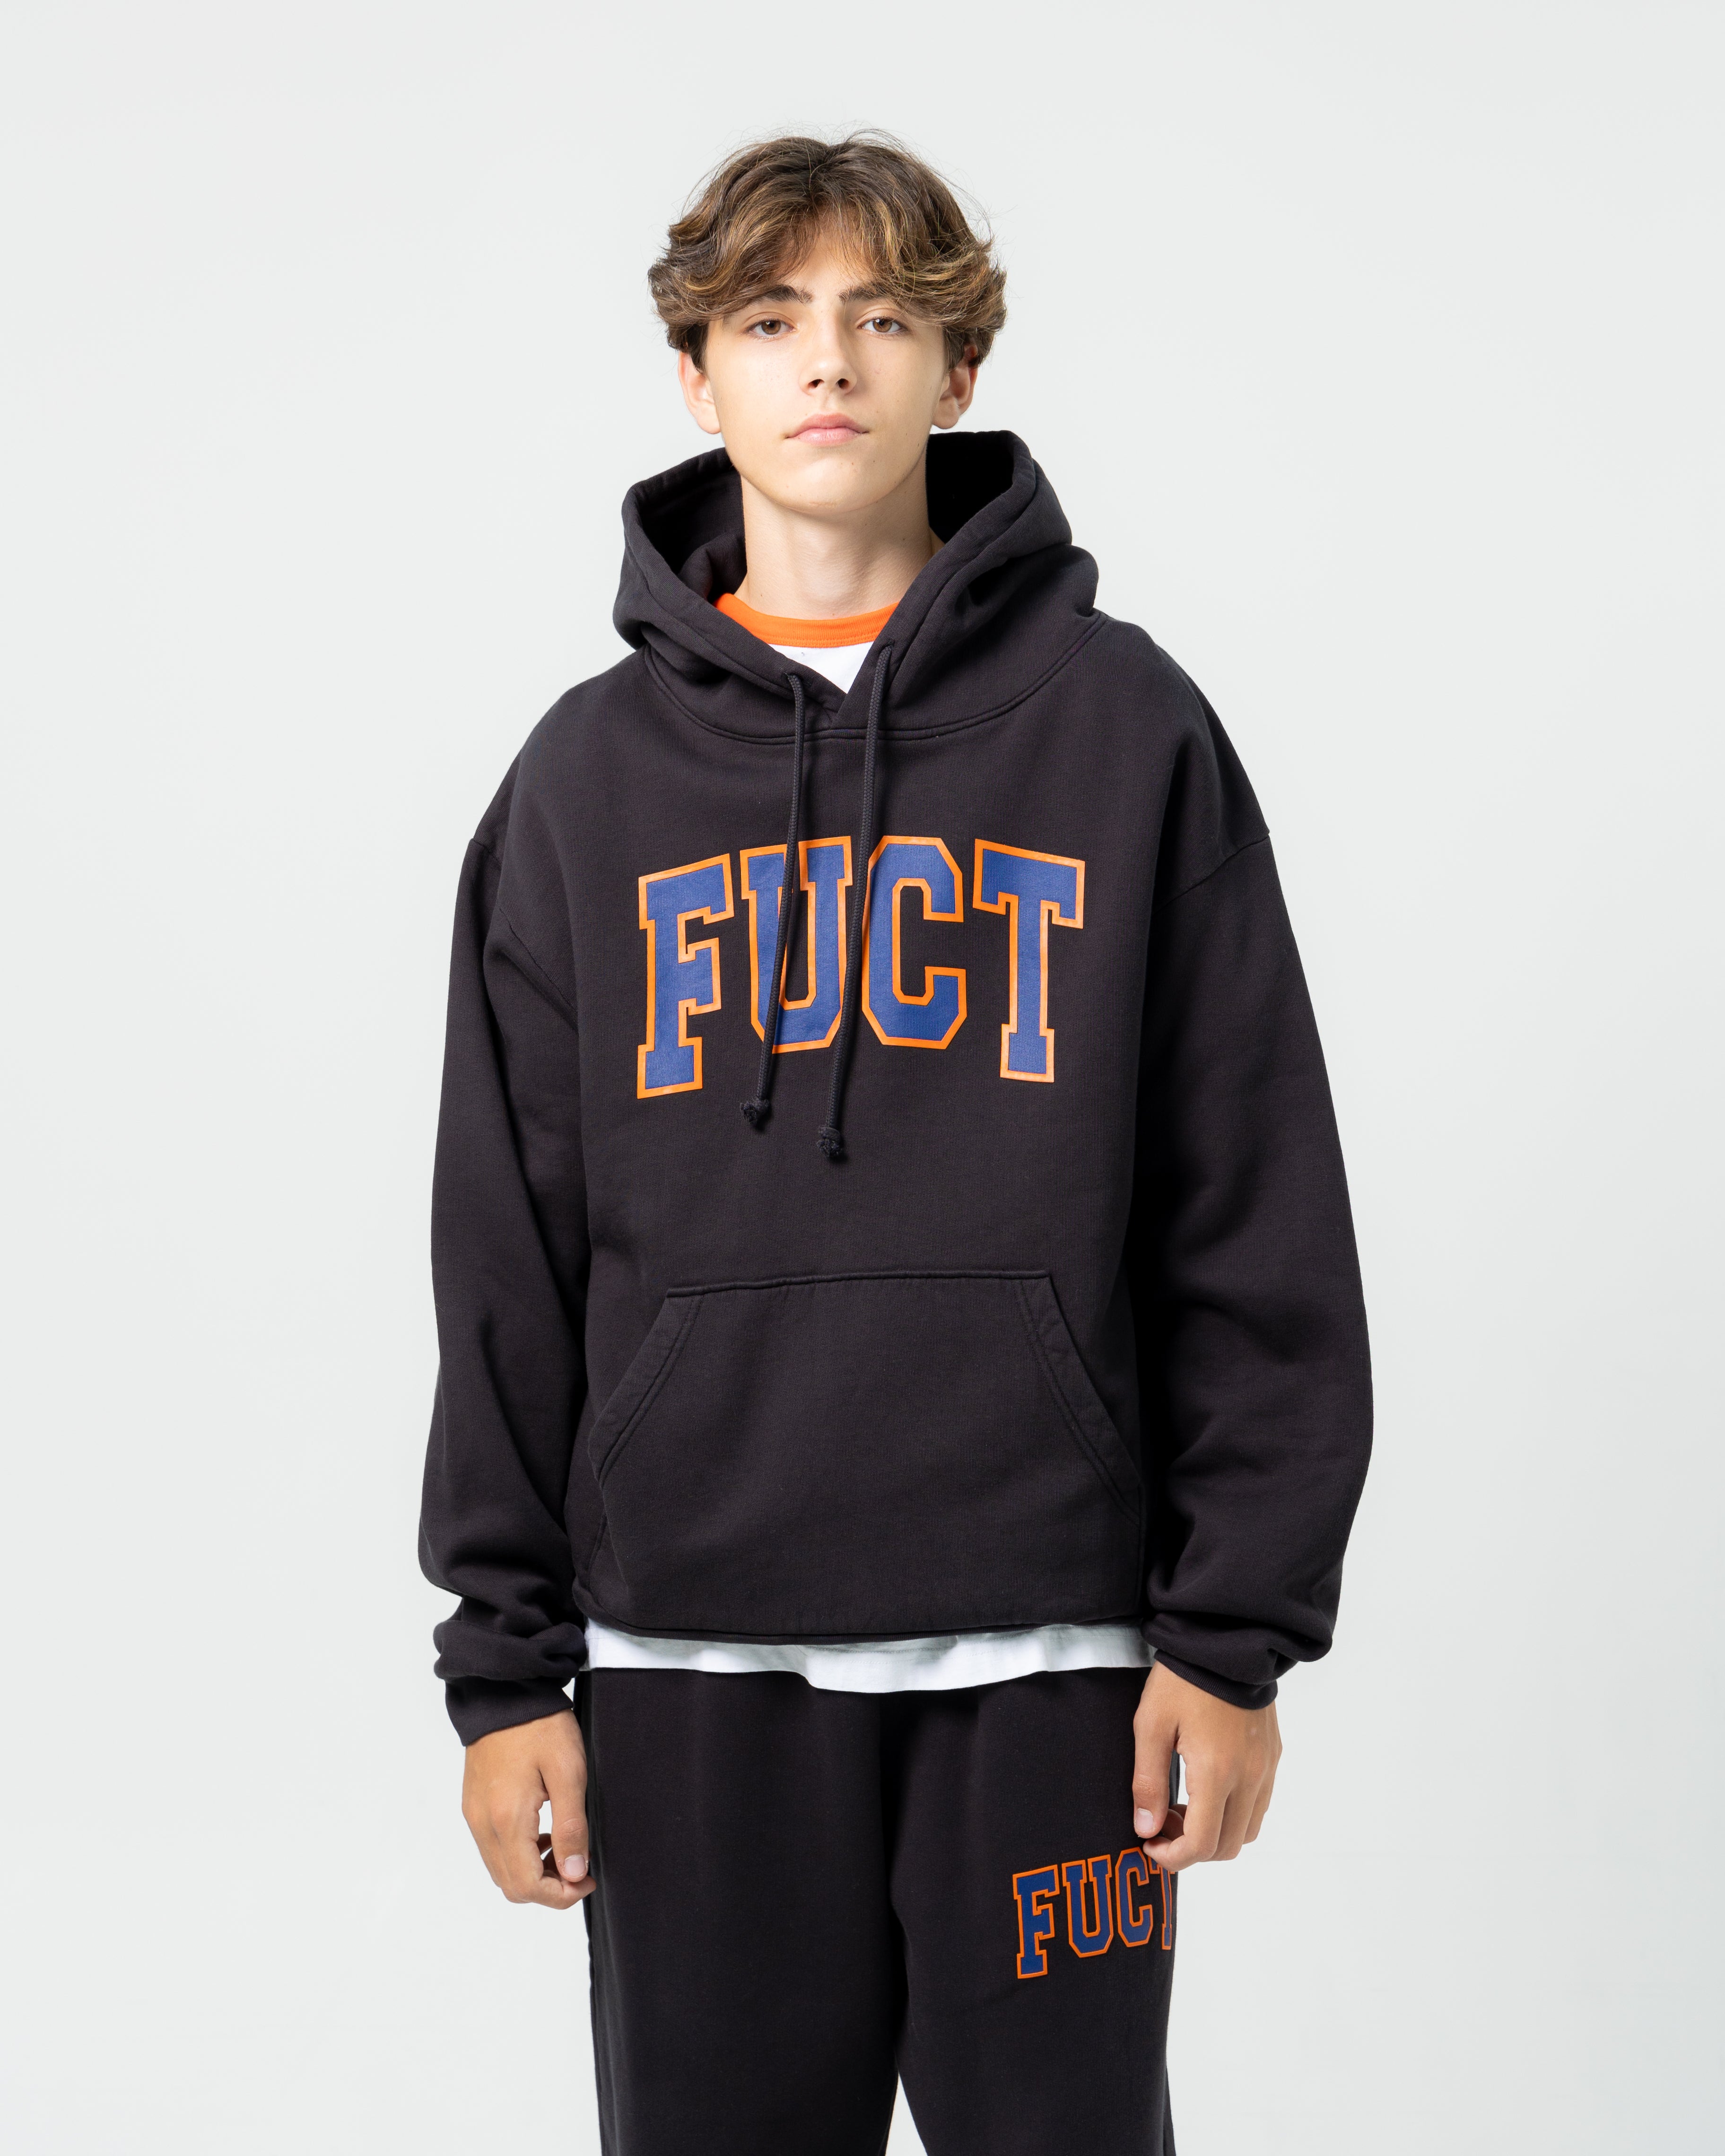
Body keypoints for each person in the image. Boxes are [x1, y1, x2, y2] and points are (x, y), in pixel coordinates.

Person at [418, 130, 1371, 2156]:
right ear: (698, 378)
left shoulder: (1126, 731)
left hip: (1058, 1674)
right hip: (684, 1663)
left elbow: (1251, 1200)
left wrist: (1234, 1641)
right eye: (772, 321)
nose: (829, 362)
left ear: (961, 367)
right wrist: (506, 1673)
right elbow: (507, 1248)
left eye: (882, 317)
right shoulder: (584, 787)